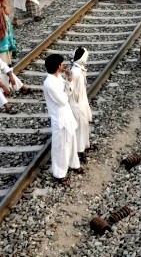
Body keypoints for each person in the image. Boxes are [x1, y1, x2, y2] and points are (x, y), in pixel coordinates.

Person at [43, 54, 82, 185]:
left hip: (66, 114)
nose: (63, 66)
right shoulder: (49, 84)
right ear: (58, 66)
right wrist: (67, 88)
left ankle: (74, 164)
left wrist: (69, 79)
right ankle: (59, 173)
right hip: (59, 117)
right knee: (60, 146)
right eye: (62, 64)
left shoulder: (58, 77)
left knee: (71, 141)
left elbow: (68, 91)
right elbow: (63, 100)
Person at [67, 47, 93, 163]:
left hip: (81, 101)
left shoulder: (79, 70)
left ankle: (85, 145)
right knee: (80, 127)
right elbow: (70, 90)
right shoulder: (75, 72)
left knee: (84, 125)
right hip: (76, 103)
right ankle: (79, 150)